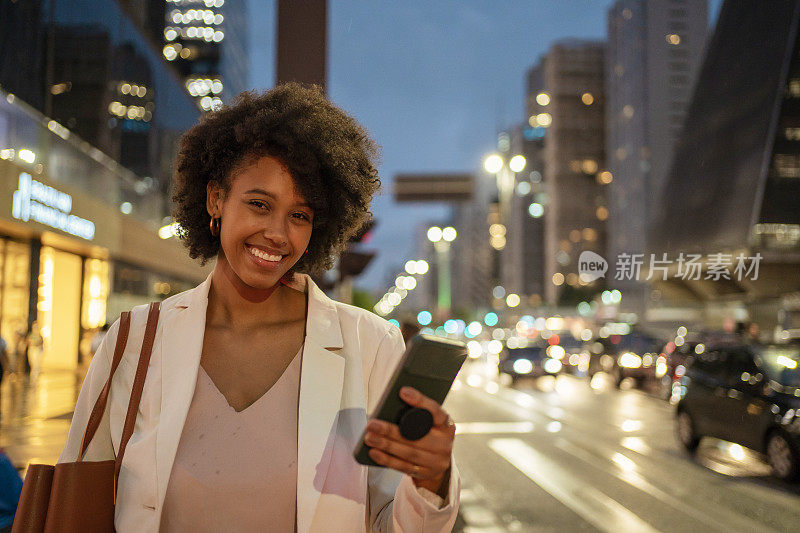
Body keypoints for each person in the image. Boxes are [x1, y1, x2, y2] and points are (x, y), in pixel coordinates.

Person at [58, 84, 460, 532]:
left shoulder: (368, 345)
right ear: (216, 199)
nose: (277, 233)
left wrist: (432, 479)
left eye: (300, 215)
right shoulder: (135, 339)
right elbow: (79, 495)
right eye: (258, 204)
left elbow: (395, 526)